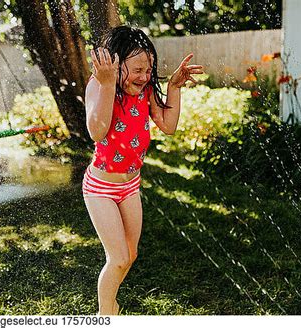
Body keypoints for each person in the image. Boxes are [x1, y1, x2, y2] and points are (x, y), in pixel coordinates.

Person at [83, 26, 203, 315]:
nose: (144, 76)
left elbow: (168, 125)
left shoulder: (146, 91)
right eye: (137, 69)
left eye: (148, 70)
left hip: (129, 186)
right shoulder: (98, 86)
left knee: (131, 254)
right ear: (115, 63)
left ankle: (111, 306)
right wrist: (108, 83)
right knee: (119, 258)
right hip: (101, 188)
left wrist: (173, 87)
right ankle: (106, 312)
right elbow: (97, 132)